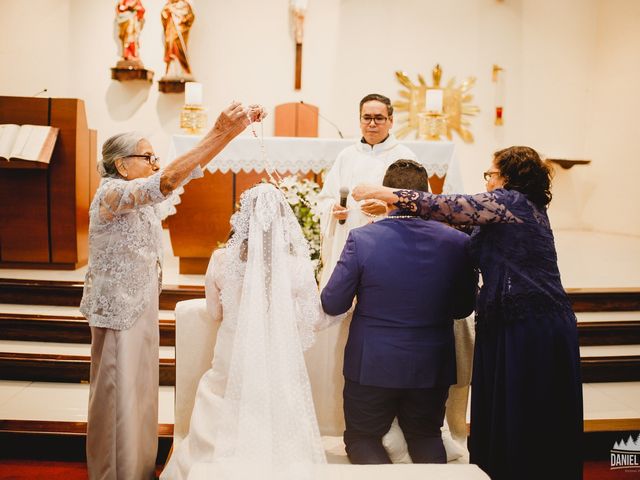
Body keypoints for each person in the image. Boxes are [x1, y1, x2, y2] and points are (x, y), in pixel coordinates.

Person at [351, 146, 583, 479]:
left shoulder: (512, 202)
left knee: (527, 411)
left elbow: (445, 205)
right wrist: (393, 207)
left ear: (508, 177)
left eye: (491, 174)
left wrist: (384, 191)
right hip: (506, 322)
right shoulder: (504, 211)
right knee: (505, 410)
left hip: (532, 324)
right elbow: (453, 222)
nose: (487, 181)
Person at [80, 102, 265, 480]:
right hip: (117, 309)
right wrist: (217, 130)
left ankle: (136, 467)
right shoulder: (112, 194)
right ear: (121, 164)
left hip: (140, 304)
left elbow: (180, 176)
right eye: (147, 156)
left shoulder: (136, 192)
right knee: (117, 396)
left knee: (139, 393)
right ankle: (114, 473)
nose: (154, 163)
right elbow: (166, 181)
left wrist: (231, 134)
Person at [160, 183, 335, 480]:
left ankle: (212, 465)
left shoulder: (221, 259)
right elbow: (314, 319)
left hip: (233, 354)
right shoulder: (295, 265)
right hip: (276, 356)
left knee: (222, 393)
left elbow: (214, 313)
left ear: (242, 218)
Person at [320, 159, 477, 464]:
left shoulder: (363, 239)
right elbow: (463, 308)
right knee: (426, 437)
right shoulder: (457, 242)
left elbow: (332, 302)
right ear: (426, 195)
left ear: (386, 195)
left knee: (363, 438)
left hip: (372, 364)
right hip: (431, 364)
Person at [309, 93, 418, 436]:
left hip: (389, 246)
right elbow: (326, 197)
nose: (372, 124)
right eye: (366, 118)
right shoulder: (346, 155)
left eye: (379, 118)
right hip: (349, 241)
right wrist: (333, 211)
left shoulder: (404, 157)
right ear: (359, 120)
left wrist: (387, 207)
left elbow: (417, 201)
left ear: (391, 120)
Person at [161, 0, 195, 77]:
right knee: (170, 46)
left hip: (180, 31)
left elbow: (190, 17)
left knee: (180, 49)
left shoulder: (184, 5)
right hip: (170, 30)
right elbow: (163, 16)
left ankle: (183, 70)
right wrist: (167, 12)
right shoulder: (168, 5)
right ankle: (171, 70)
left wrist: (177, 14)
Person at [116, 0, 146, 65]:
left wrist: (134, 7)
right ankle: (126, 54)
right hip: (125, 20)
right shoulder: (123, 1)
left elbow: (142, 10)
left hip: (133, 21)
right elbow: (119, 8)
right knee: (126, 38)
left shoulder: (136, 1)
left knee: (132, 37)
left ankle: (133, 54)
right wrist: (125, 7)